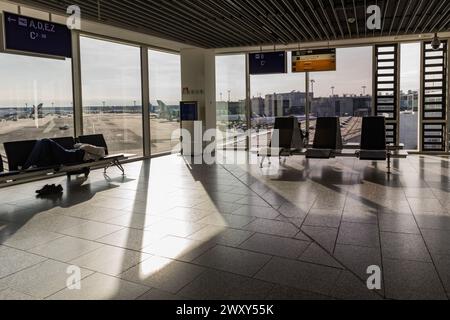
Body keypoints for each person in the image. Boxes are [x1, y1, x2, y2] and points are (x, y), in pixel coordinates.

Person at [23, 139, 106, 170]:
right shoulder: (97, 151)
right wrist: (80, 145)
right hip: (72, 155)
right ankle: (31, 165)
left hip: (72, 155)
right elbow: (78, 146)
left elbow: (82, 147)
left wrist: (81, 144)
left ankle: (26, 166)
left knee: (46, 141)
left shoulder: (100, 150)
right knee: (45, 145)